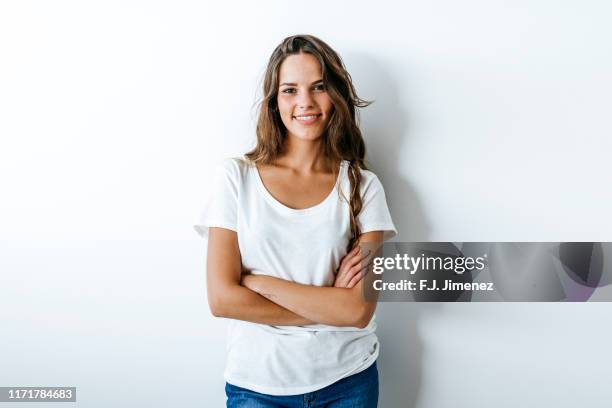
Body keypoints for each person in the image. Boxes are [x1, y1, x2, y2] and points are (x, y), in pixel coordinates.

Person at [195, 34, 397, 408]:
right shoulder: (235, 178)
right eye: (290, 90)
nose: (305, 102)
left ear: (334, 94)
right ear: (274, 102)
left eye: (318, 87)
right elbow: (222, 299)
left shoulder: (363, 187)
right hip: (256, 385)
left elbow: (356, 310)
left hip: (348, 381)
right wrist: (326, 307)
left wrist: (258, 283)